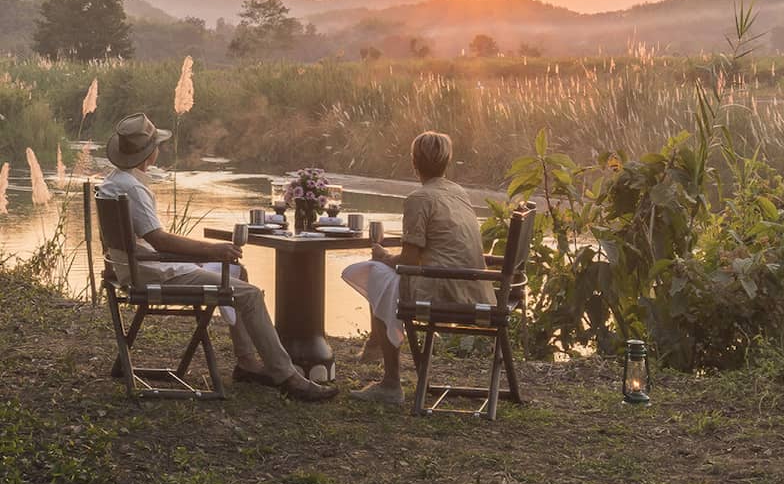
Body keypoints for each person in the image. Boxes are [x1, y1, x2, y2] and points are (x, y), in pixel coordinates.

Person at [96, 111, 337, 402]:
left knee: (238, 273)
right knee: (250, 295)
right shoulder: (133, 188)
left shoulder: (113, 182)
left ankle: (247, 363)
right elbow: (159, 240)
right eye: (156, 145)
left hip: (133, 268)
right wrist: (212, 249)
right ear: (150, 152)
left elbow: (142, 240)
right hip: (153, 273)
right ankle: (288, 377)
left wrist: (191, 256)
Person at [341, 129, 492, 404]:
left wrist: (383, 256)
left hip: (443, 290)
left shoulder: (418, 199)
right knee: (384, 276)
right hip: (475, 288)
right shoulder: (458, 192)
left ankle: (390, 381)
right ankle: (375, 343)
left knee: (377, 273)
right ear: (447, 162)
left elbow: (409, 262)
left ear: (414, 162)